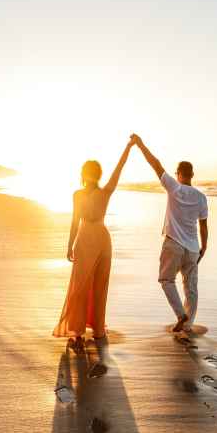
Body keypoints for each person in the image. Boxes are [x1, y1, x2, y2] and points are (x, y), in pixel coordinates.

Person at [52, 138, 136, 352]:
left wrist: (69, 245)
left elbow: (74, 221)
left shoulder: (79, 194)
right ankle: (95, 331)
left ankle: (79, 333)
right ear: (98, 174)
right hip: (101, 238)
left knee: (82, 286)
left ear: (85, 174)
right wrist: (128, 147)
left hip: (87, 238)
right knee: (97, 286)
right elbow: (119, 168)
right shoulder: (104, 192)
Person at [130, 134, 208, 333]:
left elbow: (155, 164)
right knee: (191, 287)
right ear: (192, 174)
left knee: (166, 280)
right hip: (192, 248)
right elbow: (204, 226)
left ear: (179, 173)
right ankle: (188, 325)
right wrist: (204, 247)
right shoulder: (201, 197)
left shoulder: (174, 187)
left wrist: (140, 144)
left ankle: (181, 315)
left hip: (173, 243)